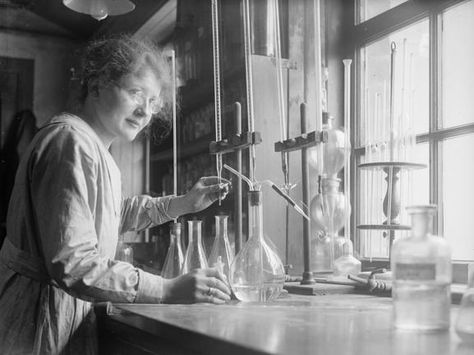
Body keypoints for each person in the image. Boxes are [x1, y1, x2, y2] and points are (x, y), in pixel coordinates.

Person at [0, 35, 231, 354]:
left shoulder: (91, 147)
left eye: (153, 103)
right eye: (136, 93)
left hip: (55, 309)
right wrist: (166, 288)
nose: (144, 112)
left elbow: (106, 215)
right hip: (38, 319)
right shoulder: (72, 143)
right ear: (96, 84)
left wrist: (182, 204)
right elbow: (74, 263)